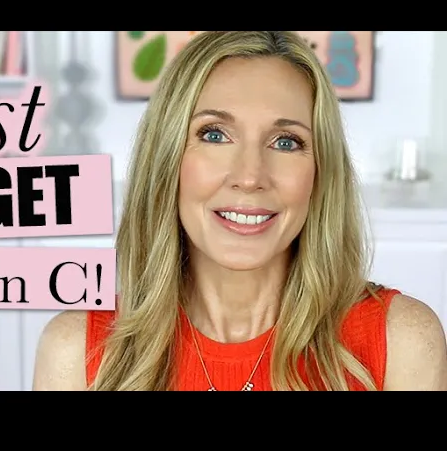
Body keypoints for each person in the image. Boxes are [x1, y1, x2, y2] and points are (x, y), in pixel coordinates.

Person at [33, 31, 447, 391]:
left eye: (286, 142)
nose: (249, 177)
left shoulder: (400, 341)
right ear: (167, 159)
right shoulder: (77, 350)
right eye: (214, 134)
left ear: (320, 172)